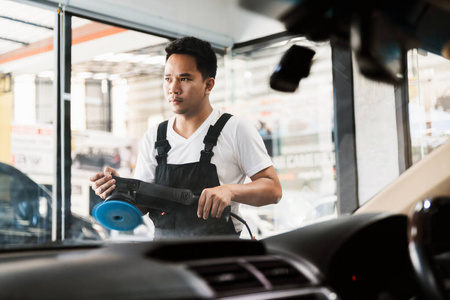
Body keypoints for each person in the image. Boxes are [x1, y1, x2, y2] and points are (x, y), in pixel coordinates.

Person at [90, 36, 282, 238]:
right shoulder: (154, 137)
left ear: (208, 85)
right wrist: (121, 192)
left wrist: (230, 191)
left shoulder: (235, 129)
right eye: (168, 78)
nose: (173, 88)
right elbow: (144, 207)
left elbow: (273, 190)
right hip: (166, 261)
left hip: (219, 258)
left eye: (184, 78)